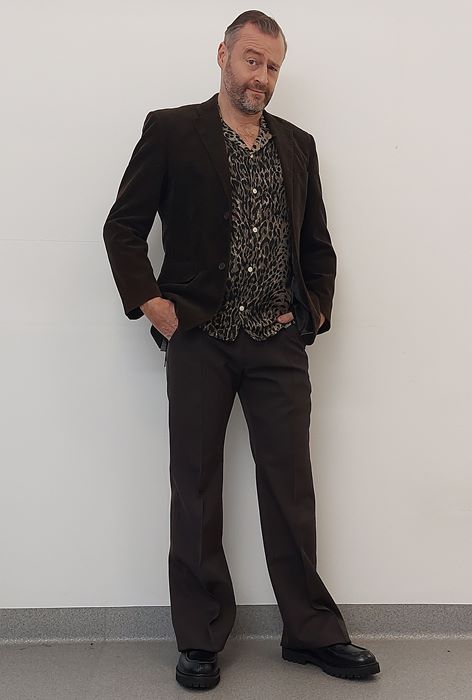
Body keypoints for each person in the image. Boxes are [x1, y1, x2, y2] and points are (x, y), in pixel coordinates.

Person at [103, 9, 381, 691]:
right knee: (195, 486)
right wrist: (153, 304)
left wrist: (312, 311)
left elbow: (317, 246)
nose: (262, 76)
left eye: (273, 67)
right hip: (199, 338)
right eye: (252, 60)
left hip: (276, 341)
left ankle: (310, 631)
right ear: (224, 55)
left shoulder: (298, 145)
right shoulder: (172, 131)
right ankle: (199, 638)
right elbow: (123, 227)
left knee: (291, 488)